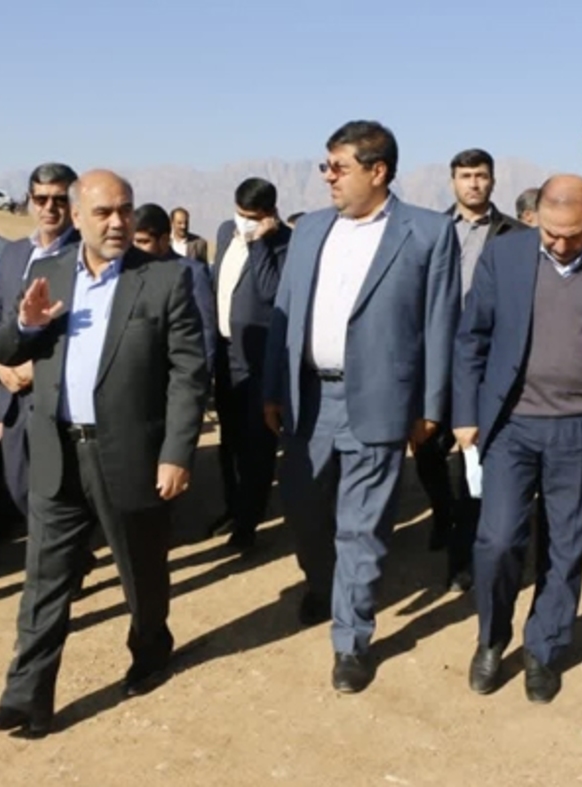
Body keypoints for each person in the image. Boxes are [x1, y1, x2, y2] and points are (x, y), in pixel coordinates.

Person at [0, 170, 208, 738]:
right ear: (77, 218)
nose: (118, 222)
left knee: (141, 571)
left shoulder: (164, 278)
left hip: (129, 455)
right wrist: (26, 324)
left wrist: (177, 452)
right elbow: (3, 348)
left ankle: (151, 648)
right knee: (43, 581)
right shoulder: (49, 274)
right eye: (103, 213)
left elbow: (188, 375)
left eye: (125, 210)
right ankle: (25, 699)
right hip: (57, 452)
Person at [453, 175, 582, 703]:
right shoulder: (505, 256)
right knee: (497, 541)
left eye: (573, 235)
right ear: (538, 218)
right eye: (550, 233)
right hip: (512, 425)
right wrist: (465, 413)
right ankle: (492, 637)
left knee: (566, 548)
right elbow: (471, 338)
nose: (561, 244)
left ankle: (544, 648)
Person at [263, 120, 460, 694]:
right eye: (326, 166)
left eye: (339, 167)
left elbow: (440, 323)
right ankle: (324, 586)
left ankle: (351, 640)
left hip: (379, 399)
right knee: (303, 510)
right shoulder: (309, 229)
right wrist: (273, 386)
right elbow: (285, 313)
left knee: (362, 527)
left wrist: (431, 405)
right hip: (307, 398)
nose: (328, 177)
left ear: (378, 171)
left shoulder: (426, 232)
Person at [419, 148, 523, 591]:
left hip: (485, 362)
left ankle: (463, 558)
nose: (474, 183)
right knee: (428, 450)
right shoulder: (431, 231)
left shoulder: (515, 235)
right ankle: (441, 514)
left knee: (472, 460)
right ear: (453, 182)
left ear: (493, 181)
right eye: (465, 176)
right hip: (435, 359)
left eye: (481, 175)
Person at [0, 163, 81, 524]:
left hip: (58, 397)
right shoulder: (13, 254)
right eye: (41, 199)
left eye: (59, 199)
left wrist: (38, 370)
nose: (49, 207)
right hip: (12, 398)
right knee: (19, 486)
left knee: (60, 492)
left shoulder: (86, 256)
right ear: (29, 201)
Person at [209, 178, 292, 551]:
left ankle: (248, 524)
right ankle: (233, 507)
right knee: (229, 442)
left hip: (259, 362)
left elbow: (272, 292)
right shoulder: (225, 232)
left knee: (257, 447)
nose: (243, 221)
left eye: (252, 217)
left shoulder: (285, 243)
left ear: (269, 214)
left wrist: (260, 243)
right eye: (240, 214)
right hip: (226, 354)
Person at [132, 203, 218, 371]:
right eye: (133, 242)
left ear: (164, 240)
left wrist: (202, 374)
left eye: (143, 242)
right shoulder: (131, 273)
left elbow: (206, 329)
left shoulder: (192, 272)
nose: (136, 248)